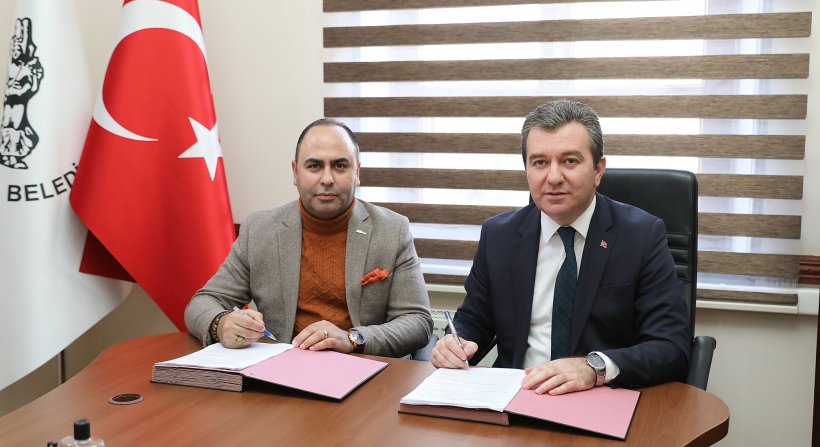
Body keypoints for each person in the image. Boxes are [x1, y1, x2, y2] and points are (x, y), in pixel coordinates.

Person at [431, 100, 690, 395]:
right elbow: (473, 320)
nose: (553, 178)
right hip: (516, 395)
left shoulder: (641, 235)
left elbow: (671, 347)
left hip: (598, 398)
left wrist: (594, 367)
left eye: (569, 161)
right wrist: (455, 344)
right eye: (540, 162)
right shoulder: (499, 235)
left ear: (598, 170)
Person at [185, 118, 433, 357]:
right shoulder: (259, 230)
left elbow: (417, 322)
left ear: (357, 173)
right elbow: (202, 303)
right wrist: (222, 323)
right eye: (314, 166)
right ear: (295, 173)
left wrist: (352, 339)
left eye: (340, 166)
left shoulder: (392, 230)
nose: (327, 179)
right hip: (279, 370)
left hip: (364, 368)